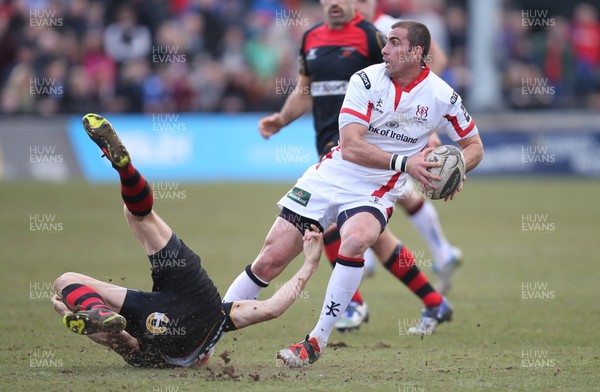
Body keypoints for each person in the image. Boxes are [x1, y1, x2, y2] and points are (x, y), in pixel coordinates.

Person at [226, 20, 484, 367]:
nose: (385, 49)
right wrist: (406, 164)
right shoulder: (365, 80)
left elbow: (474, 145)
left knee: (357, 238)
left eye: (394, 43)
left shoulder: (443, 96)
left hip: (374, 190)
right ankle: (209, 330)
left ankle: (316, 340)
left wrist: (458, 169)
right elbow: (349, 147)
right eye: (386, 42)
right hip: (330, 176)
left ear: (417, 52)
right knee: (270, 259)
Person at [51, 113, 324, 368]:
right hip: (172, 318)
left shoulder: (220, 317)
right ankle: (94, 307)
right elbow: (272, 309)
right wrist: (311, 262)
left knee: (134, 219)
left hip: (188, 300)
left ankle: (95, 308)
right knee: (68, 284)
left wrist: (310, 262)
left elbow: (272, 309)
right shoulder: (209, 325)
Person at [255, 0, 455, 334]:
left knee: (327, 224)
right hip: (331, 145)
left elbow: (415, 83)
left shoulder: (373, 37)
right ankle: (434, 302)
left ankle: (354, 304)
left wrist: (427, 130)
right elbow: (305, 91)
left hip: (358, 147)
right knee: (376, 237)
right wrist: (281, 119)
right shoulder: (311, 39)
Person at [355, 0, 461, 296]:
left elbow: (438, 57)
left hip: (392, 121)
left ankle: (363, 256)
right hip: (367, 119)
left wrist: (419, 97)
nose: (355, 5)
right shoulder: (350, 31)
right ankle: (440, 252)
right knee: (397, 190)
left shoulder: (388, 26)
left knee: (381, 185)